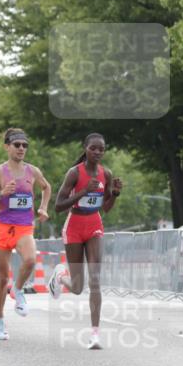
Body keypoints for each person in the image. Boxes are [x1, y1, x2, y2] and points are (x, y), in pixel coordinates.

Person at [49, 133, 123, 350]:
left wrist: (115, 194)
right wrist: (83, 191)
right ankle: (61, 277)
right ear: (86, 148)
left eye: (101, 149)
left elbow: (105, 208)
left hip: (94, 226)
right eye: (93, 148)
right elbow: (59, 206)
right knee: (78, 287)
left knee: (95, 280)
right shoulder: (74, 173)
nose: (98, 152)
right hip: (74, 226)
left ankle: (95, 335)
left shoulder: (105, 173)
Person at [0, 128, 52, 341]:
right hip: (3, 226)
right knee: (2, 278)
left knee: (30, 260)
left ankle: (18, 290)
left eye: (24, 145)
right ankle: (0, 322)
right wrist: (2, 193)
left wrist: (44, 207)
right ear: (7, 147)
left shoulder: (33, 171)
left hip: (23, 226)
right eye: (17, 144)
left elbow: (46, 188)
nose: (21, 148)